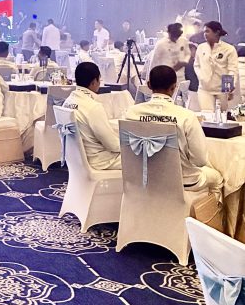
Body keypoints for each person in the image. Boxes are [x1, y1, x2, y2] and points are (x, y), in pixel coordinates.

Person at [125, 66, 223, 197]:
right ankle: (211, 210)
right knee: (217, 178)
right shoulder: (186, 116)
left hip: (144, 177)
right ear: (174, 87)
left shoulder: (131, 113)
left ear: (149, 85)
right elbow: (200, 161)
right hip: (184, 181)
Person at [62, 62, 121, 170]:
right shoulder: (93, 107)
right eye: (99, 79)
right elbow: (112, 145)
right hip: (100, 160)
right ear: (94, 82)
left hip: (76, 158)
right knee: (144, 157)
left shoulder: (67, 102)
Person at [193, 21, 239, 110]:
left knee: (222, 115)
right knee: (207, 114)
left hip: (222, 90)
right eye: (204, 32)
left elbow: (232, 69)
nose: (205, 34)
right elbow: (197, 65)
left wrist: (228, 87)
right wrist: (202, 77)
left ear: (217, 32)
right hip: (204, 89)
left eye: (207, 31)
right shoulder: (201, 47)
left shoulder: (229, 49)